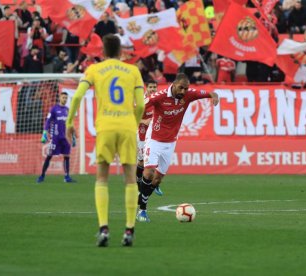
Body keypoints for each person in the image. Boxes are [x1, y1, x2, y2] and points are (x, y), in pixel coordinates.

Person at [66, 34, 145, 247]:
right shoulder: (133, 71)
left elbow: (76, 97)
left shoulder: (94, 70)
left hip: (106, 127)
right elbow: (142, 105)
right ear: (121, 52)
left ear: (102, 52)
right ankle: (129, 231)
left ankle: (104, 229)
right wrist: (133, 124)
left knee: (102, 178)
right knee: (130, 179)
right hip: (127, 126)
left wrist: (69, 123)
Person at [136, 73, 219, 222]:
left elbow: (210, 92)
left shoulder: (189, 94)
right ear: (173, 85)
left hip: (170, 142)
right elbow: (139, 106)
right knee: (148, 172)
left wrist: (214, 96)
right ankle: (142, 210)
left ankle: (142, 195)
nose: (183, 92)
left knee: (157, 180)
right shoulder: (159, 97)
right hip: (154, 139)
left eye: (185, 89)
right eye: (180, 88)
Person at [37, 91, 76, 183]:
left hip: (65, 137)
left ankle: (66, 177)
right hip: (55, 137)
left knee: (67, 156)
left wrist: (73, 136)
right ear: (59, 98)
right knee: (49, 156)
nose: (65, 99)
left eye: (66, 98)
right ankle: (42, 176)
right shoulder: (54, 109)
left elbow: (70, 124)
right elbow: (48, 121)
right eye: (63, 97)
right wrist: (44, 133)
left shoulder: (67, 110)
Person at [136, 79, 163, 196]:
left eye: (154, 87)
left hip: (154, 136)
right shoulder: (141, 102)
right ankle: (138, 188)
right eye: (151, 87)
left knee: (155, 161)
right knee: (142, 162)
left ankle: (155, 184)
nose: (153, 89)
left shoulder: (159, 99)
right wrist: (144, 121)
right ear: (146, 88)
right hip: (142, 134)